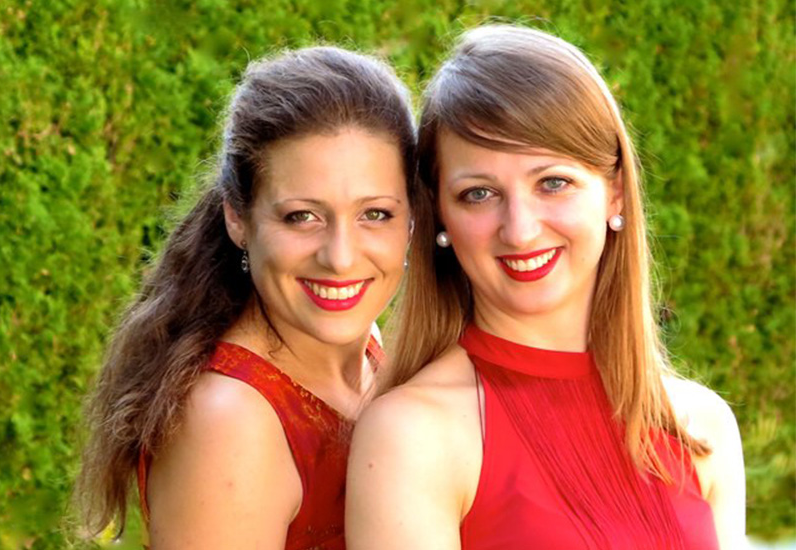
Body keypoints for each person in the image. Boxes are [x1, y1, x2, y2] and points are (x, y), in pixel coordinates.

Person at [346, 25, 745, 550]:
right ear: (440, 214)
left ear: (615, 193)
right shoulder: (411, 435)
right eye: (479, 193)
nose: (520, 229)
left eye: (553, 183)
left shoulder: (701, 426)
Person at [76, 46, 416, 549]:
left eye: (375, 214)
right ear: (238, 217)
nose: (341, 258)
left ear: (413, 216)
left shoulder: (367, 347)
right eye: (302, 216)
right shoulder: (229, 422)